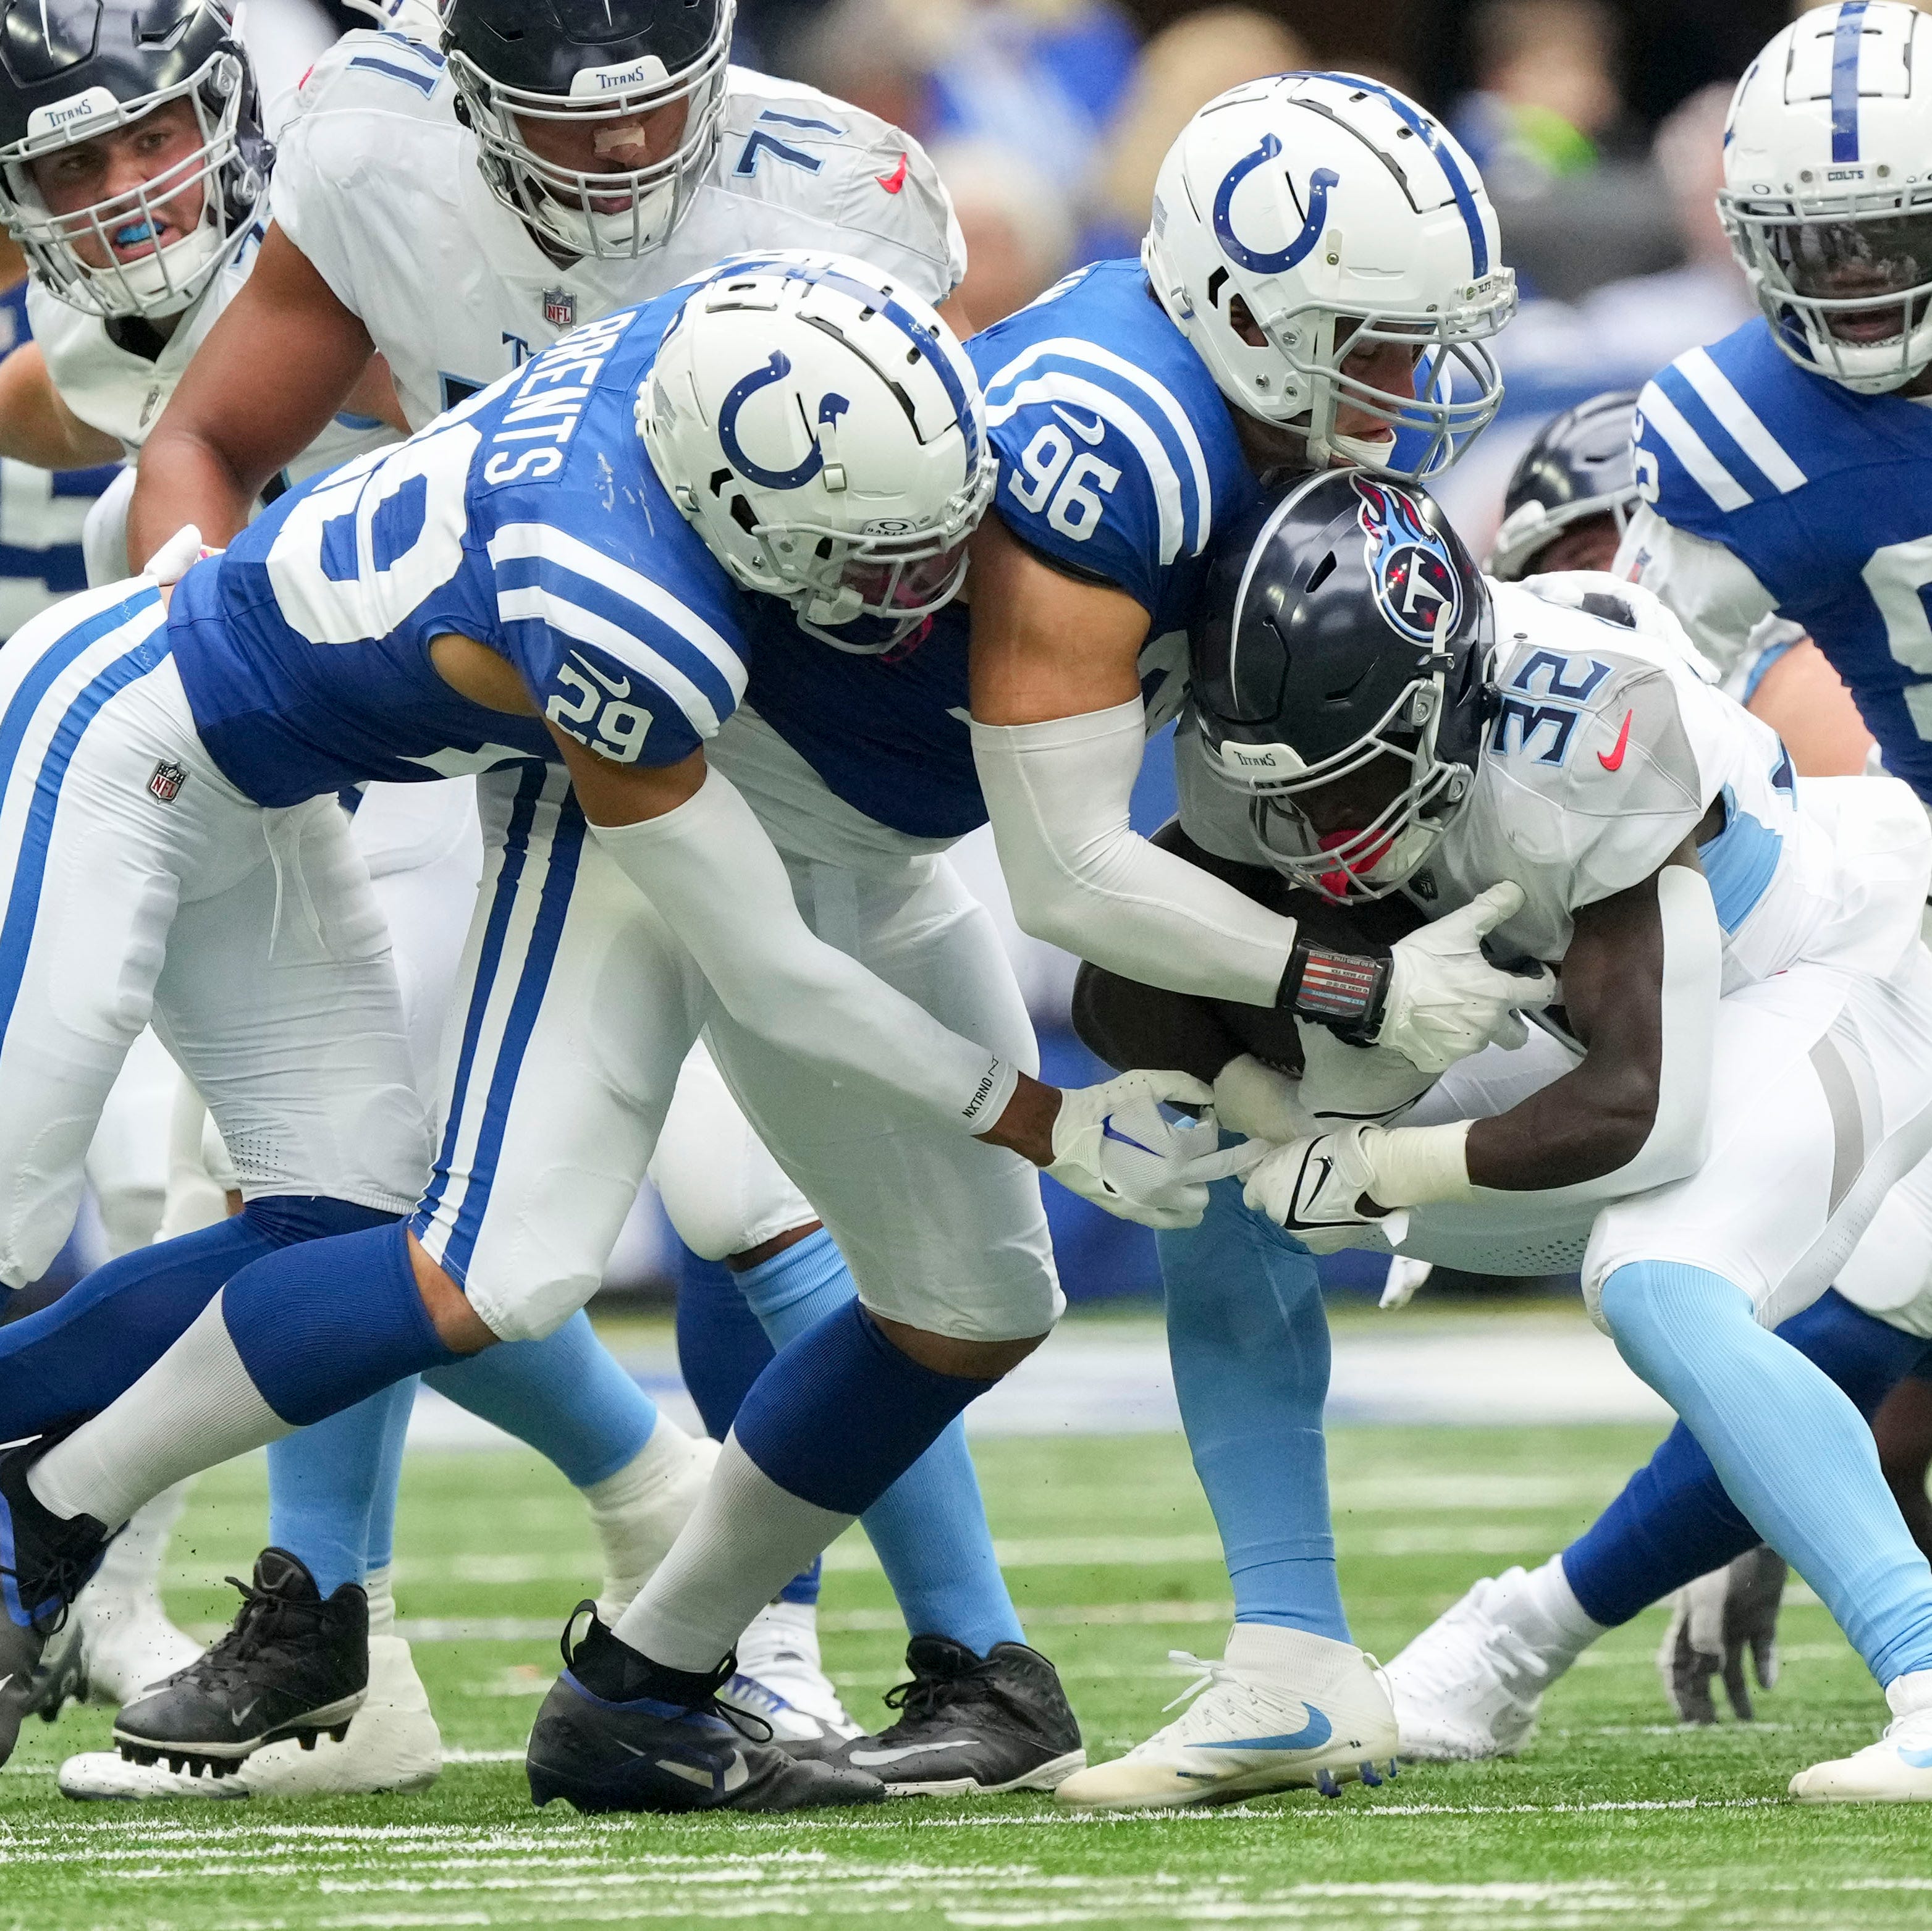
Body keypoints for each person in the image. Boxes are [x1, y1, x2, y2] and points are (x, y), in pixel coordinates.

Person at [0, 256, 1228, 1806]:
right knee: (53, 1220)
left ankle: (56, 1515)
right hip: (114, 741)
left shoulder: (762, 333)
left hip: (289, 785)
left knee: (338, 1230)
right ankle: (48, 1514)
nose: (914, 600)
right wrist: (1040, 1118)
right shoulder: (625, 600)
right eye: (868, 563)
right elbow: (770, 971)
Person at [95, 0, 1052, 1793]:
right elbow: (212, 431)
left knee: (769, 1204)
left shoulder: (835, 190)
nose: (618, 149)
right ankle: (330, 1619)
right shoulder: (377, 143)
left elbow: (926, 515)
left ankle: (902, 1638)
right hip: (495, 711)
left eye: (652, 109)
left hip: (743, 749)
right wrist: (188, 635)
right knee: (335, 1173)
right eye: (563, 115)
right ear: (466, 87)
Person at [0, 0, 768, 1803]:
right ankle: (317, 1619)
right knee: (272, 1206)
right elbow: (110, 405)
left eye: (147, 143)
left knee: (509, 1213)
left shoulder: (386, 246)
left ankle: (690, 1579)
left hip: (455, 778)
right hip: (266, 768)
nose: (125, 193)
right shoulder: (195, 302)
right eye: (76, 166)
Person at [958, 70, 1541, 1811]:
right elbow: (1069, 884)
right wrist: (1350, 985)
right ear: (1241, 316)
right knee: (840, 1238)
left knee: (1190, 1110)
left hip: (956, 816)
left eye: (1426, 340)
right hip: (824, 809)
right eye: (1372, 342)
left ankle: (1290, 1651)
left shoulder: (1267, 443)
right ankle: (731, 1648)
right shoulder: (1121, 431)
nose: (1413, 388)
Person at [1186, 468, 1932, 1804]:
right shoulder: (1266, 737)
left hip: (1834, 970)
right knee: (1219, 1181)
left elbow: (1643, 1113)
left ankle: (1924, 1674)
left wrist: (1379, 1168)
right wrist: (1259, 1116)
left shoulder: (1585, 736)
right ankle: (1295, 1654)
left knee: (1659, 1284)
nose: (1326, 836)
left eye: (1356, 781)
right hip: (1628, 1028)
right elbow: (1122, 976)